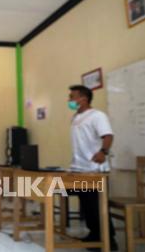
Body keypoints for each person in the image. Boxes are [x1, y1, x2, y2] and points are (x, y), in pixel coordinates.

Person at [67, 85, 118, 251]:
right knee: (87, 205)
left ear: (83, 98)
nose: (69, 100)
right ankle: (94, 236)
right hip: (79, 168)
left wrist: (103, 151)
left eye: (72, 97)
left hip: (94, 168)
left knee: (97, 206)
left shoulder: (97, 116)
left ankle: (109, 241)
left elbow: (108, 135)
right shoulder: (75, 117)